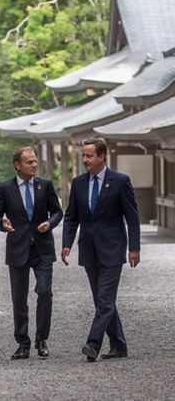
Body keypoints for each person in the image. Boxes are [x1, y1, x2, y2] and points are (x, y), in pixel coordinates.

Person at [62, 137, 141, 362]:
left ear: (101, 156)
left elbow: (132, 217)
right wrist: (67, 243)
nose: (85, 160)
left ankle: (93, 343)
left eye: (89, 156)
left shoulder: (120, 181)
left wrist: (134, 248)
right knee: (102, 301)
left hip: (113, 248)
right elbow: (71, 217)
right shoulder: (78, 183)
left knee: (105, 300)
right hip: (88, 248)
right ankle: (119, 345)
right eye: (83, 156)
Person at [0, 147, 63, 360]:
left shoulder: (45, 185)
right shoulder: (5, 188)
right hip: (18, 248)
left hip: (42, 248)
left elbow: (58, 212)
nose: (34, 165)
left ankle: (42, 339)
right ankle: (23, 342)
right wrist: (3, 223)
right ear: (17, 165)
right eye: (29, 162)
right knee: (19, 299)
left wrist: (48, 224)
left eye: (34, 161)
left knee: (44, 291)